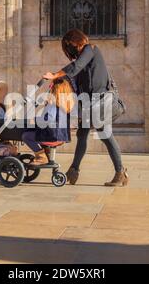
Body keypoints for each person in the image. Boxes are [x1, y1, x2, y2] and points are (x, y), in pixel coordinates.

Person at [43, 29, 129, 187]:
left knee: (105, 136)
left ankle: (120, 173)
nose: (68, 52)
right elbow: (76, 80)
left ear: (73, 43)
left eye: (68, 47)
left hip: (101, 102)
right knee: (82, 134)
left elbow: (76, 66)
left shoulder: (91, 49)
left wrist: (56, 74)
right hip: (90, 104)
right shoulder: (83, 59)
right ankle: (74, 171)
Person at [22, 77, 75, 166]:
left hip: (52, 136)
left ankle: (41, 156)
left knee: (26, 136)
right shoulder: (66, 104)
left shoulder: (53, 105)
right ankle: (46, 153)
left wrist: (34, 120)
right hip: (61, 136)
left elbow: (48, 121)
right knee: (36, 132)